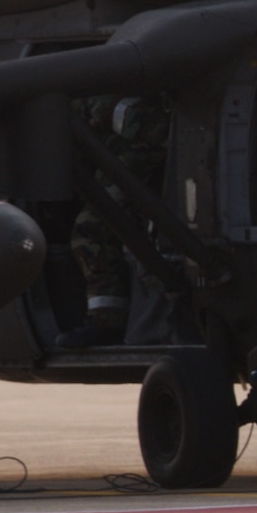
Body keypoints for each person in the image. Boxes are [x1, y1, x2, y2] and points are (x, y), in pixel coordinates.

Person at [57, 93, 171, 349]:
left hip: (141, 151)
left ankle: (106, 321)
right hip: (138, 150)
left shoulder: (105, 98)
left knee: (91, 229)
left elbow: (121, 117)